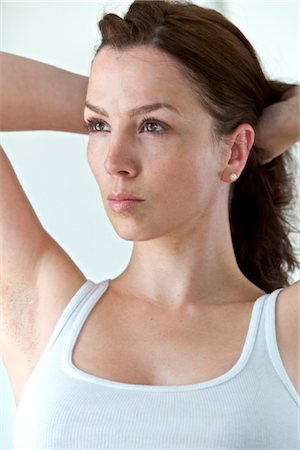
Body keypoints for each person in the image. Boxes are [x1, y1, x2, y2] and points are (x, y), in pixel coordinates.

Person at [0, 1, 299, 448]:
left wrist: (277, 121)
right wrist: (121, 103)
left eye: (153, 126)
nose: (114, 161)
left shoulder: (287, 335)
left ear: (235, 152)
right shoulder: (46, 312)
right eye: (97, 125)